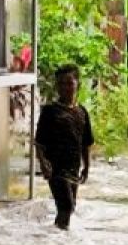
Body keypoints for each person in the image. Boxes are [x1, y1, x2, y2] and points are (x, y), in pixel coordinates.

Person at [35, 65, 94, 230]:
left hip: (73, 168)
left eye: (69, 83)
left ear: (77, 84)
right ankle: (60, 244)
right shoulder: (50, 111)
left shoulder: (82, 112)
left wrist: (87, 167)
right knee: (66, 206)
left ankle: (56, 239)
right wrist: (43, 162)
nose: (65, 87)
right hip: (55, 168)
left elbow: (86, 143)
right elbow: (39, 142)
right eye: (61, 84)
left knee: (68, 208)